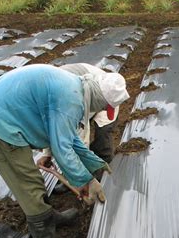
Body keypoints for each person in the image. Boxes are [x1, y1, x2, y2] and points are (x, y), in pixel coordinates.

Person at [0, 64, 129, 238]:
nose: (103, 110)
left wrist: (94, 165)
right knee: (29, 183)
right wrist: (86, 181)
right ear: (100, 99)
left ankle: (50, 217)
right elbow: (63, 148)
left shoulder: (75, 88)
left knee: (32, 181)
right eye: (105, 106)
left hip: (1, 114)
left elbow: (70, 139)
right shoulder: (71, 100)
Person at [41, 63, 129, 193]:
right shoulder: (74, 98)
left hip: (99, 95)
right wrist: (47, 154)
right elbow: (72, 138)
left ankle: (103, 178)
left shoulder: (108, 92)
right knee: (71, 145)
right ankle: (75, 180)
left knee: (103, 137)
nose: (103, 110)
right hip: (74, 98)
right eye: (103, 107)